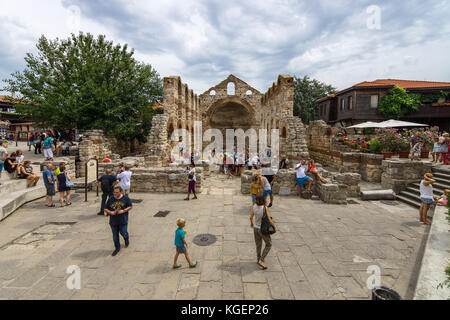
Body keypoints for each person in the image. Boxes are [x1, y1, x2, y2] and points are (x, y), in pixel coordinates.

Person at [104, 186, 133, 256]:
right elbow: (105, 208)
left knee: (124, 232)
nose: (115, 194)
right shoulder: (111, 199)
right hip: (113, 221)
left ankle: (126, 238)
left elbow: (130, 206)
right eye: (114, 192)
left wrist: (123, 210)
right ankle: (117, 248)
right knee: (115, 236)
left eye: (117, 192)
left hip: (123, 220)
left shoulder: (125, 198)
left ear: (121, 192)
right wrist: (110, 212)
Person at [250, 195, 277, 270]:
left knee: (258, 244)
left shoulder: (254, 206)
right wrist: (274, 226)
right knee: (269, 244)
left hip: (255, 228)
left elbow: (251, 217)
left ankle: (258, 258)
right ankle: (261, 260)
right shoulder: (265, 208)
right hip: (263, 229)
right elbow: (269, 219)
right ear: (263, 200)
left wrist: (251, 223)